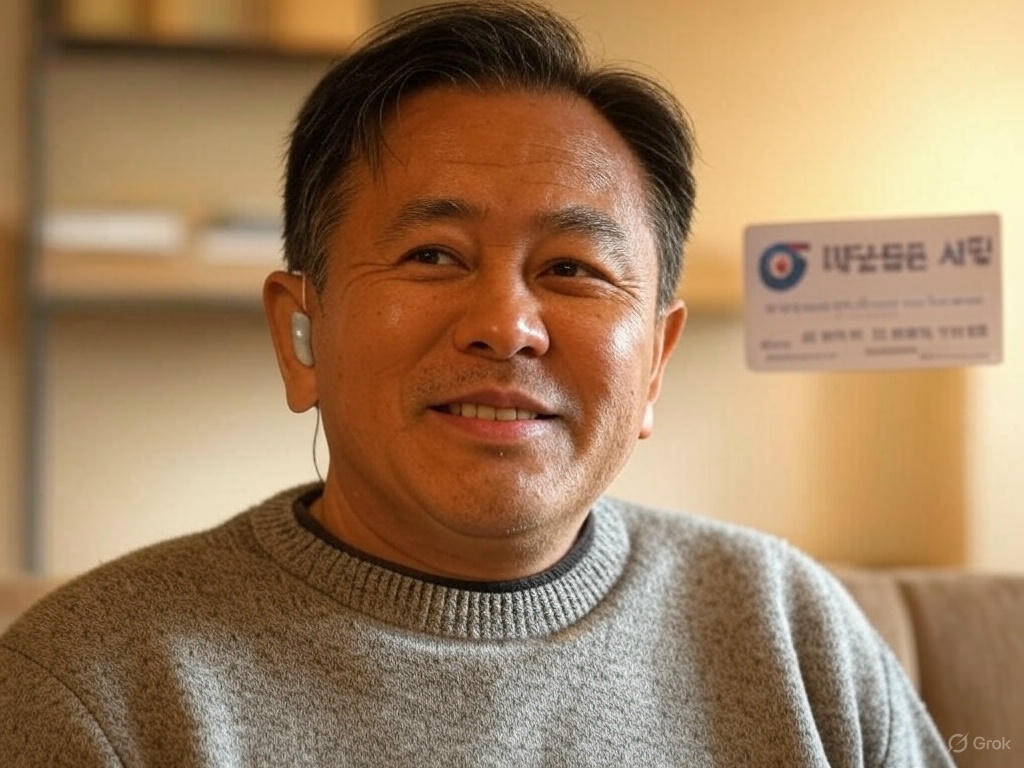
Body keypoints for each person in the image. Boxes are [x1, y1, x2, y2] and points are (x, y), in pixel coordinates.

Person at [1, 2, 954, 765]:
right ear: (301, 336)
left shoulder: (791, 631)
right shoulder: (93, 693)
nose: (507, 325)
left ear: (655, 363)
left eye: (573, 268)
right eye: (433, 254)